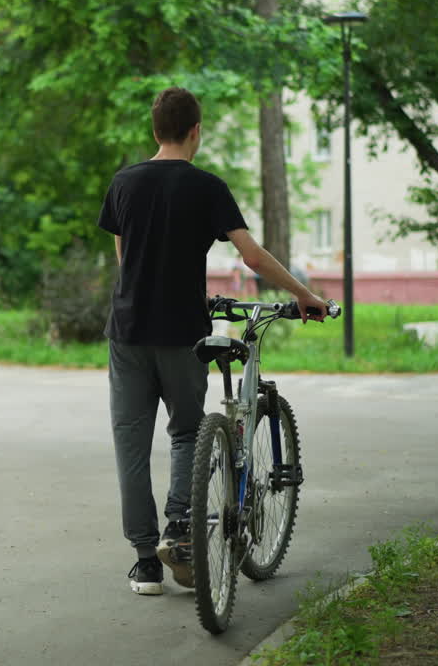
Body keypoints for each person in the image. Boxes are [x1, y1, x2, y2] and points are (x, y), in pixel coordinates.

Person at [97, 86, 329, 595]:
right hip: (183, 331)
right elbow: (252, 256)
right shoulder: (207, 187)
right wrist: (305, 294)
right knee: (185, 433)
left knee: (130, 445)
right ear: (195, 131)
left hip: (129, 332)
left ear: (155, 131)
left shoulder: (123, 184)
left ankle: (145, 562)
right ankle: (179, 532)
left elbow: (123, 258)